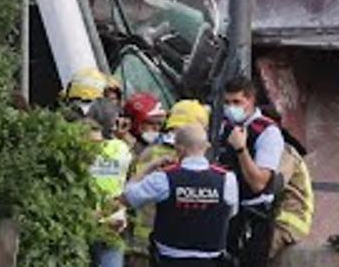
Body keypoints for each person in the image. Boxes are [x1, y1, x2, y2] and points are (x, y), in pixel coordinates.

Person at [123, 123, 238, 266]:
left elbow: (129, 197)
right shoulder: (227, 178)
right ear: (207, 146)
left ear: (178, 148)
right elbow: (231, 213)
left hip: (170, 259)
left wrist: (150, 166)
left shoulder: (164, 178)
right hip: (211, 261)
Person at [125, 99, 208, 267]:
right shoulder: (191, 161)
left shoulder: (148, 153)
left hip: (139, 244)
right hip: (170, 246)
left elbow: (132, 190)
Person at [216, 75, 284, 267]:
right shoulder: (223, 127)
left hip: (252, 218)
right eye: (227, 102)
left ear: (251, 100)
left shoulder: (267, 132)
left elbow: (259, 183)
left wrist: (241, 149)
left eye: (237, 102)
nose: (231, 108)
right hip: (224, 216)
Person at [258, 105, 314, 261]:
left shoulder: (285, 151)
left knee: (256, 253)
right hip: (274, 217)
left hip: (289, 219)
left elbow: (272, 185)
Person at [87, 97, 133, 267]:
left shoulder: (82, 146)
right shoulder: (121, 148)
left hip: (84, 219)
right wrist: (121, 134)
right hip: (113, 221)